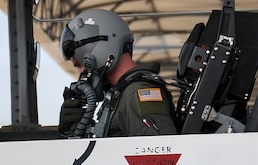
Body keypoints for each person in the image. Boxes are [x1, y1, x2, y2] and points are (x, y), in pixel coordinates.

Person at [58, 8, 179, 137]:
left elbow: (159, 148)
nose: (80, 73)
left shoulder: (136, 94)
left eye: (79, 64)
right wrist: (77, 129)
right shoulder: (121, 94)